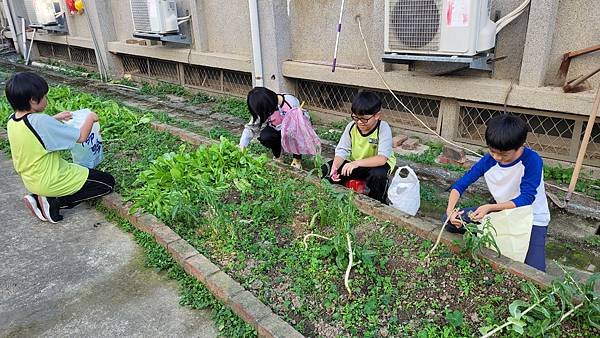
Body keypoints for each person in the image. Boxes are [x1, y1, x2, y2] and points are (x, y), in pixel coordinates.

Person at [443, 115, 550, 271]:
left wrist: (489, 208)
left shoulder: (532, 161)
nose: (497, 158)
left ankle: (490, 233)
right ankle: (488, 234)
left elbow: (526, 198)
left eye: (504, 154)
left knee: (535, 271)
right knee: (448, 220)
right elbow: (460, 185)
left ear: (521, 145)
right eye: (493, 151)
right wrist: (450, 210)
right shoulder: (489, 160)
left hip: (531, 217)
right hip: (501, 211)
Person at [5, 72, 115, 223]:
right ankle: (52, 201)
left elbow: (33, 130)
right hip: (52, 180)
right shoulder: (41, 122)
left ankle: (40, 196)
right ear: (33, 100)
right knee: (107, 183)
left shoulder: (12, 120)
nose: (46, 100)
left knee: (95, 179)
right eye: (44, 96)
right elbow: (81, 137)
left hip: (31, 179)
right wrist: (91, 117)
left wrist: (55, 119)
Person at [321, 91, 396, 203]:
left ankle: (376, 202)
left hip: (376, 166)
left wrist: (355, 163)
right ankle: (335, 196)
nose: (359, 122)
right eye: (356, 118)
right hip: (356, 164)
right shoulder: (351, 127)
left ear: (377, 115)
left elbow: (382, 159)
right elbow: (342, 151)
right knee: (325, 169)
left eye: (364, 119)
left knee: (378, 175)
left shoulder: (383, 128)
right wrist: (335, 167)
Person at [239, 87, 304, 169]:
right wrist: (242, 147)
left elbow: (302, 123)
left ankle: (297, 159)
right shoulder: (263, 109)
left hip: (293, 129)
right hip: (276, 129)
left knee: (296, 134)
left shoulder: (290, 101)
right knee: (266, 136)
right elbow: (250, 128)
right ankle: (278, 155)